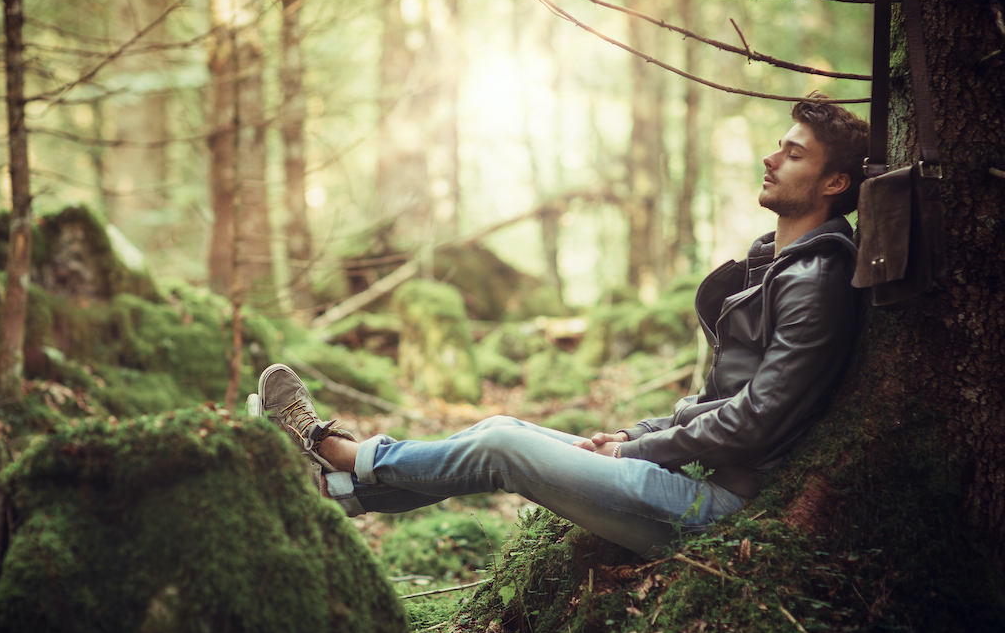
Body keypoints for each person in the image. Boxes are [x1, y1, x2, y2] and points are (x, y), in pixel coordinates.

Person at [253, 95, 868, 556]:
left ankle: (342, 454)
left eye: (794, 154)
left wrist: (637, 448)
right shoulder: (779, 264)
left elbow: (757, 420)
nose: (770, 157)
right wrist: (636, 430)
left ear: (834, 182)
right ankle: (337, 493)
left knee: (501, 447)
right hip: (696, 476)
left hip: (722, 508)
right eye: (778, 145)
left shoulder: (814, 281)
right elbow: (721, 400)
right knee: (499, 425)